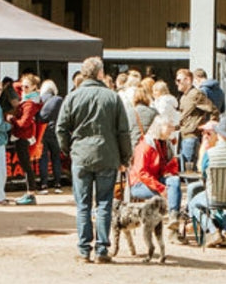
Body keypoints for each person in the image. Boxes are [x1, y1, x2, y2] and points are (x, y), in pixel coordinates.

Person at [57, 56, 132, 264]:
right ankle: (101, 249)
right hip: (107, 155)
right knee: (104, 203)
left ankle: (83, 249)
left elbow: (60, 128)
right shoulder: (112, 97)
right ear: (100, 73)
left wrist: (69, 150)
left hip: (81, 155)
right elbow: (123, 131)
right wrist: (126, 157)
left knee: (82, 204)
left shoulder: (72, 97)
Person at [187, 116, 226, 247]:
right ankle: (225, 231)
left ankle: (213, 231)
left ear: (219, 134)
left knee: (193, 204)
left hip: (213, 196)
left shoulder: (210, 153)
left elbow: (203, 173)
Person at [129, 116, 182, 227]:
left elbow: (167, 164)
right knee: (173, 192)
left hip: (155, 179)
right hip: (139, 184)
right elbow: (142, 173)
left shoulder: (163, 143)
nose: (172, 129)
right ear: (159, 128)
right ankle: (174, 220)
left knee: (174, 182)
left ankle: (174, 215)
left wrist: (171, 170)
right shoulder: (145, 146)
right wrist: (161, 188)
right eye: (169, 127)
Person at [176, 68, 219, 170]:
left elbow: (213, 109)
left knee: (189, 169)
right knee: (184, 167)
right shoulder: (184, 97)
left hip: (191, 136)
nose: (177, 83)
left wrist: (208, 127)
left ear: (187, 80)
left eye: (179, 80)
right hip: (184, 135)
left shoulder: (196, 94)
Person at [9, 73, 42, 205]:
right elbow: (14, 86)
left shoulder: (29, 104)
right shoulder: (29, 99)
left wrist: (12, 119)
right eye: (22, 86)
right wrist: (24, 83)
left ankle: (31, 194)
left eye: (27, 87)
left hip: (23, 136)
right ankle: (30, 193)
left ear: (34, 87)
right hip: (24, 136)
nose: (23, 89)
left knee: (26, 166)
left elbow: (23, 123)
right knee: (26, 165)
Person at [37, 79, 64, 194]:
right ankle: (57, 184)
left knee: (43, 158)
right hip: (56, 132)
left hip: (42, 132)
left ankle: (44, 184)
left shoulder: (40, 99)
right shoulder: (59, 100)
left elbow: (39, 117)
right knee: (56, 158)